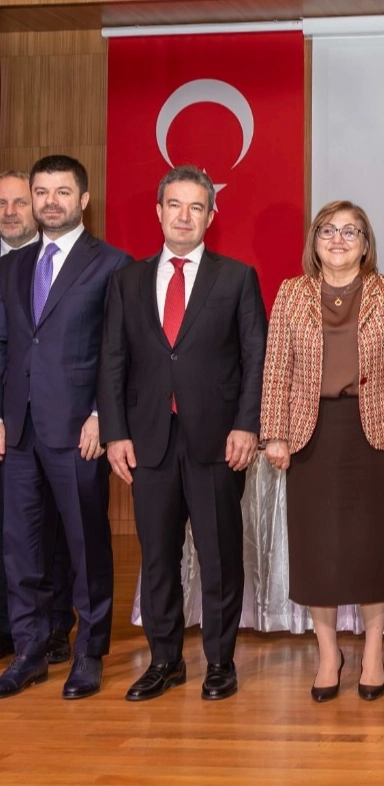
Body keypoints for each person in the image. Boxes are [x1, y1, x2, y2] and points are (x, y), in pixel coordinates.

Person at [97, 166, 267, 701]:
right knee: (156, 558)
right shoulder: (126, 281)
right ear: (159, 211)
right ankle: (165, 661)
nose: (184, 216)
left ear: (211, 215)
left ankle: (220, 662)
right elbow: (112, 360)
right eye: (175, 205)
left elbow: (256, 359)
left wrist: (247, 425)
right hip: (147, 440)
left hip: (217, 441)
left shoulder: (236, 277)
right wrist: (115, 433)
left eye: (196, 207)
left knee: (219, 558)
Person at [261, 201, 384, 702]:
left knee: (371, 546)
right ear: (315, 240)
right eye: (328, 230)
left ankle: (373, 651)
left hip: (372, 433)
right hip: (310, 434)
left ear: (366, 244)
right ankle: (328, 654)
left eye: (351, 231)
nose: (338, 239)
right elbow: (276, 369)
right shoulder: (291, 293)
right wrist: (274, 433)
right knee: (317, 550)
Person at [0, 155, 133, 699]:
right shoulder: (11, 266)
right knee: (21, 549)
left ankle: (89, 653)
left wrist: (102, 416)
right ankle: (29, 652)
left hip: (79, 430)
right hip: (19, 431)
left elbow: (120, 351)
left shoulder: (113, 264)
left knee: (86, 546)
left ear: (84, 200)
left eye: (61, 192)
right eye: (41, 192)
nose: (49, 201)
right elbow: (6, 345)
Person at [0, 171, 77, 665]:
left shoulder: (69, 263)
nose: (10, 212)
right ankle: (16, 631)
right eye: (1, 203)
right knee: (17, 536)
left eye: (18, 202)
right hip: (10, 419)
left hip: (57, 422)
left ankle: (52, 627)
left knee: (56, 534)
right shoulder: (9, 269)